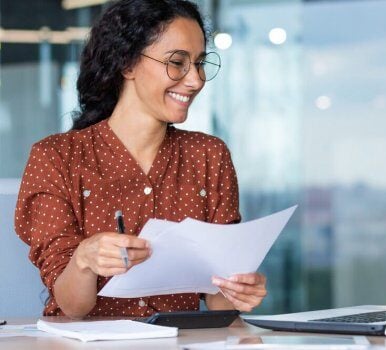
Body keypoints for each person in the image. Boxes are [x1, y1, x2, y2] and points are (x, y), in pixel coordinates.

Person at [14, 0, 267, 318]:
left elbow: (219, 300)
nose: (196, 80)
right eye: (178, 62)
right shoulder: (56, 158)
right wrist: (84, 258)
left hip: (179, 341)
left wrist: (240, 290)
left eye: (200, 63)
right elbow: (72, 306)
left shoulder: (208, 156)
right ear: (128, 64)